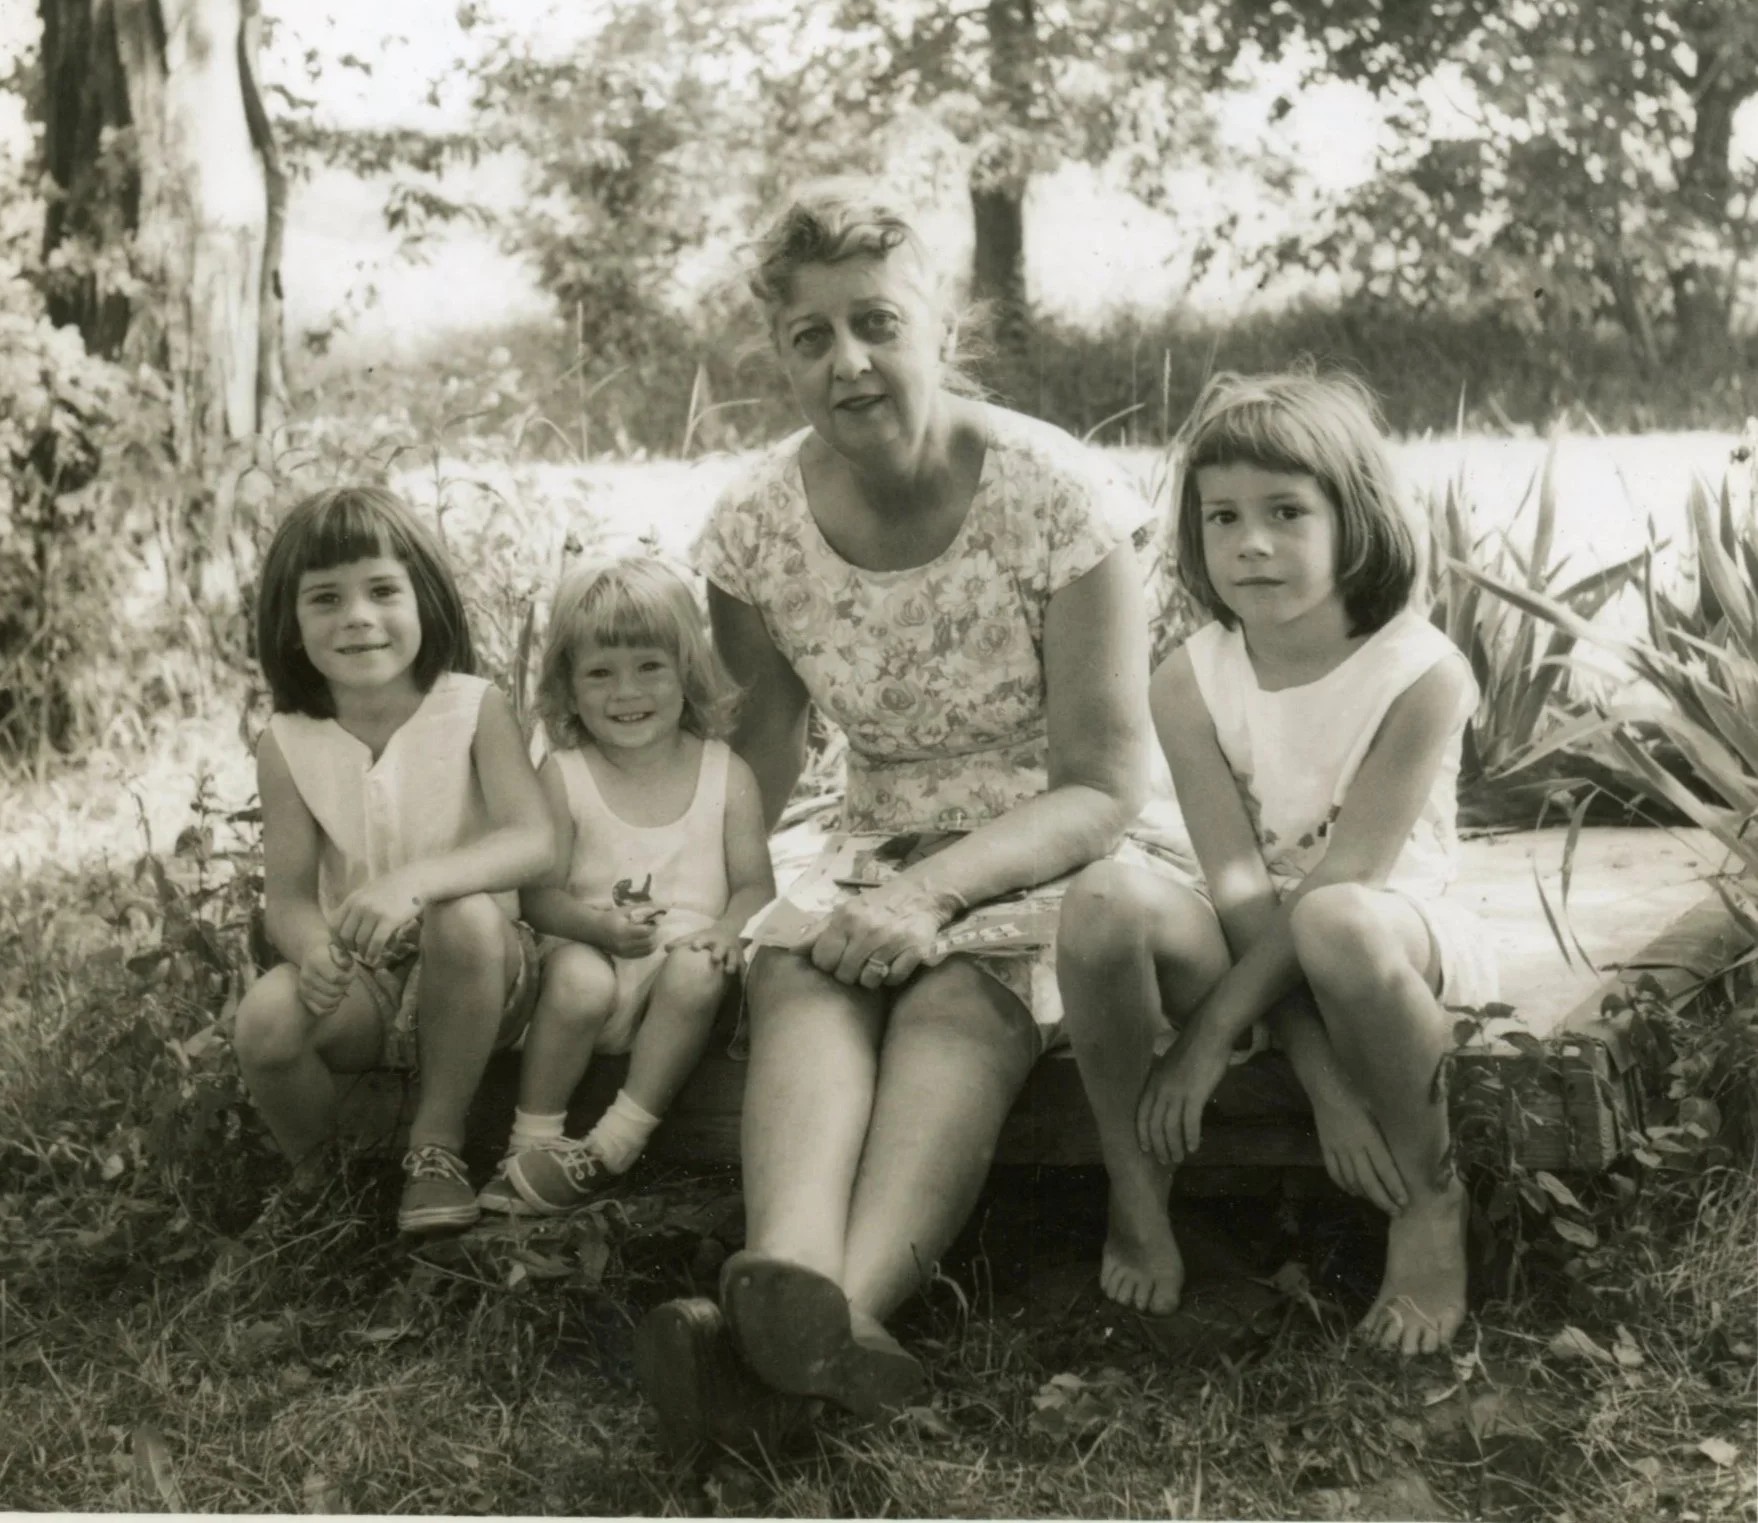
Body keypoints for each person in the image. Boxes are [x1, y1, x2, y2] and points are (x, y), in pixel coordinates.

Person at [633, 188, 1154, 1454]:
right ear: (781, 355)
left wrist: (933, 898)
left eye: (875, 322)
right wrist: (740, 904)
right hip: (869, 835)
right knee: (804, 977)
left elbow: (1103, 782)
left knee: (949, 1000)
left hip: (1045, 841)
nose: (847, 361)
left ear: (941, 324)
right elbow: (758, 752)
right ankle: (794, 1283)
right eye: (810, 338)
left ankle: (830, 1319)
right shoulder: (756, 525)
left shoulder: (1053, 496)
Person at [1057, 371, 1496, 1355]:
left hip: (1386, 935)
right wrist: (1322, 1086)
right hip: (1256, 938)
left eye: (1286, 511)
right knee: (1098, 901)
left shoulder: (1419, 673)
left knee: (1331, 919)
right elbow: (1242, 884)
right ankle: (1137, 1192)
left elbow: (1337, 886)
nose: (1250, 543)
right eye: (1222, 516)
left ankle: (1430, 1202)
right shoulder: (1188, 680)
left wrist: (1210, 1036)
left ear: (1356, 518)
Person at [232, 486, 556, 1236]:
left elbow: (535, 841)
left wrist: (416, 883)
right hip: (366, 982)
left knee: (465, 915)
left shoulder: (474, 706)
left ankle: (434, 1148)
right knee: (266, 1021)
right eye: (325, 598)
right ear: (289, 621)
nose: (357, 616)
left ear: (426, 599)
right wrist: (313, 949)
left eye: (382, 589)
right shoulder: (286, 743)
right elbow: (287, 898)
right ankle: (327, 1182)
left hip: (488, 974)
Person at [478, 555, 777, 1214]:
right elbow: (539, 895)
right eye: (600, 673)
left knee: (697, 968)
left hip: (682, 997)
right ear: (569, 684)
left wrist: (726, 932)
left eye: (649, 666)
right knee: (583, 976)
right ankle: (531, 1140)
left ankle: (615, 1142)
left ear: (687, 670)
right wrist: (596, 928)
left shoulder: (727, 775)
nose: (626, 692)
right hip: (585, 971)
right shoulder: (565, 774)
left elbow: (756, 886)